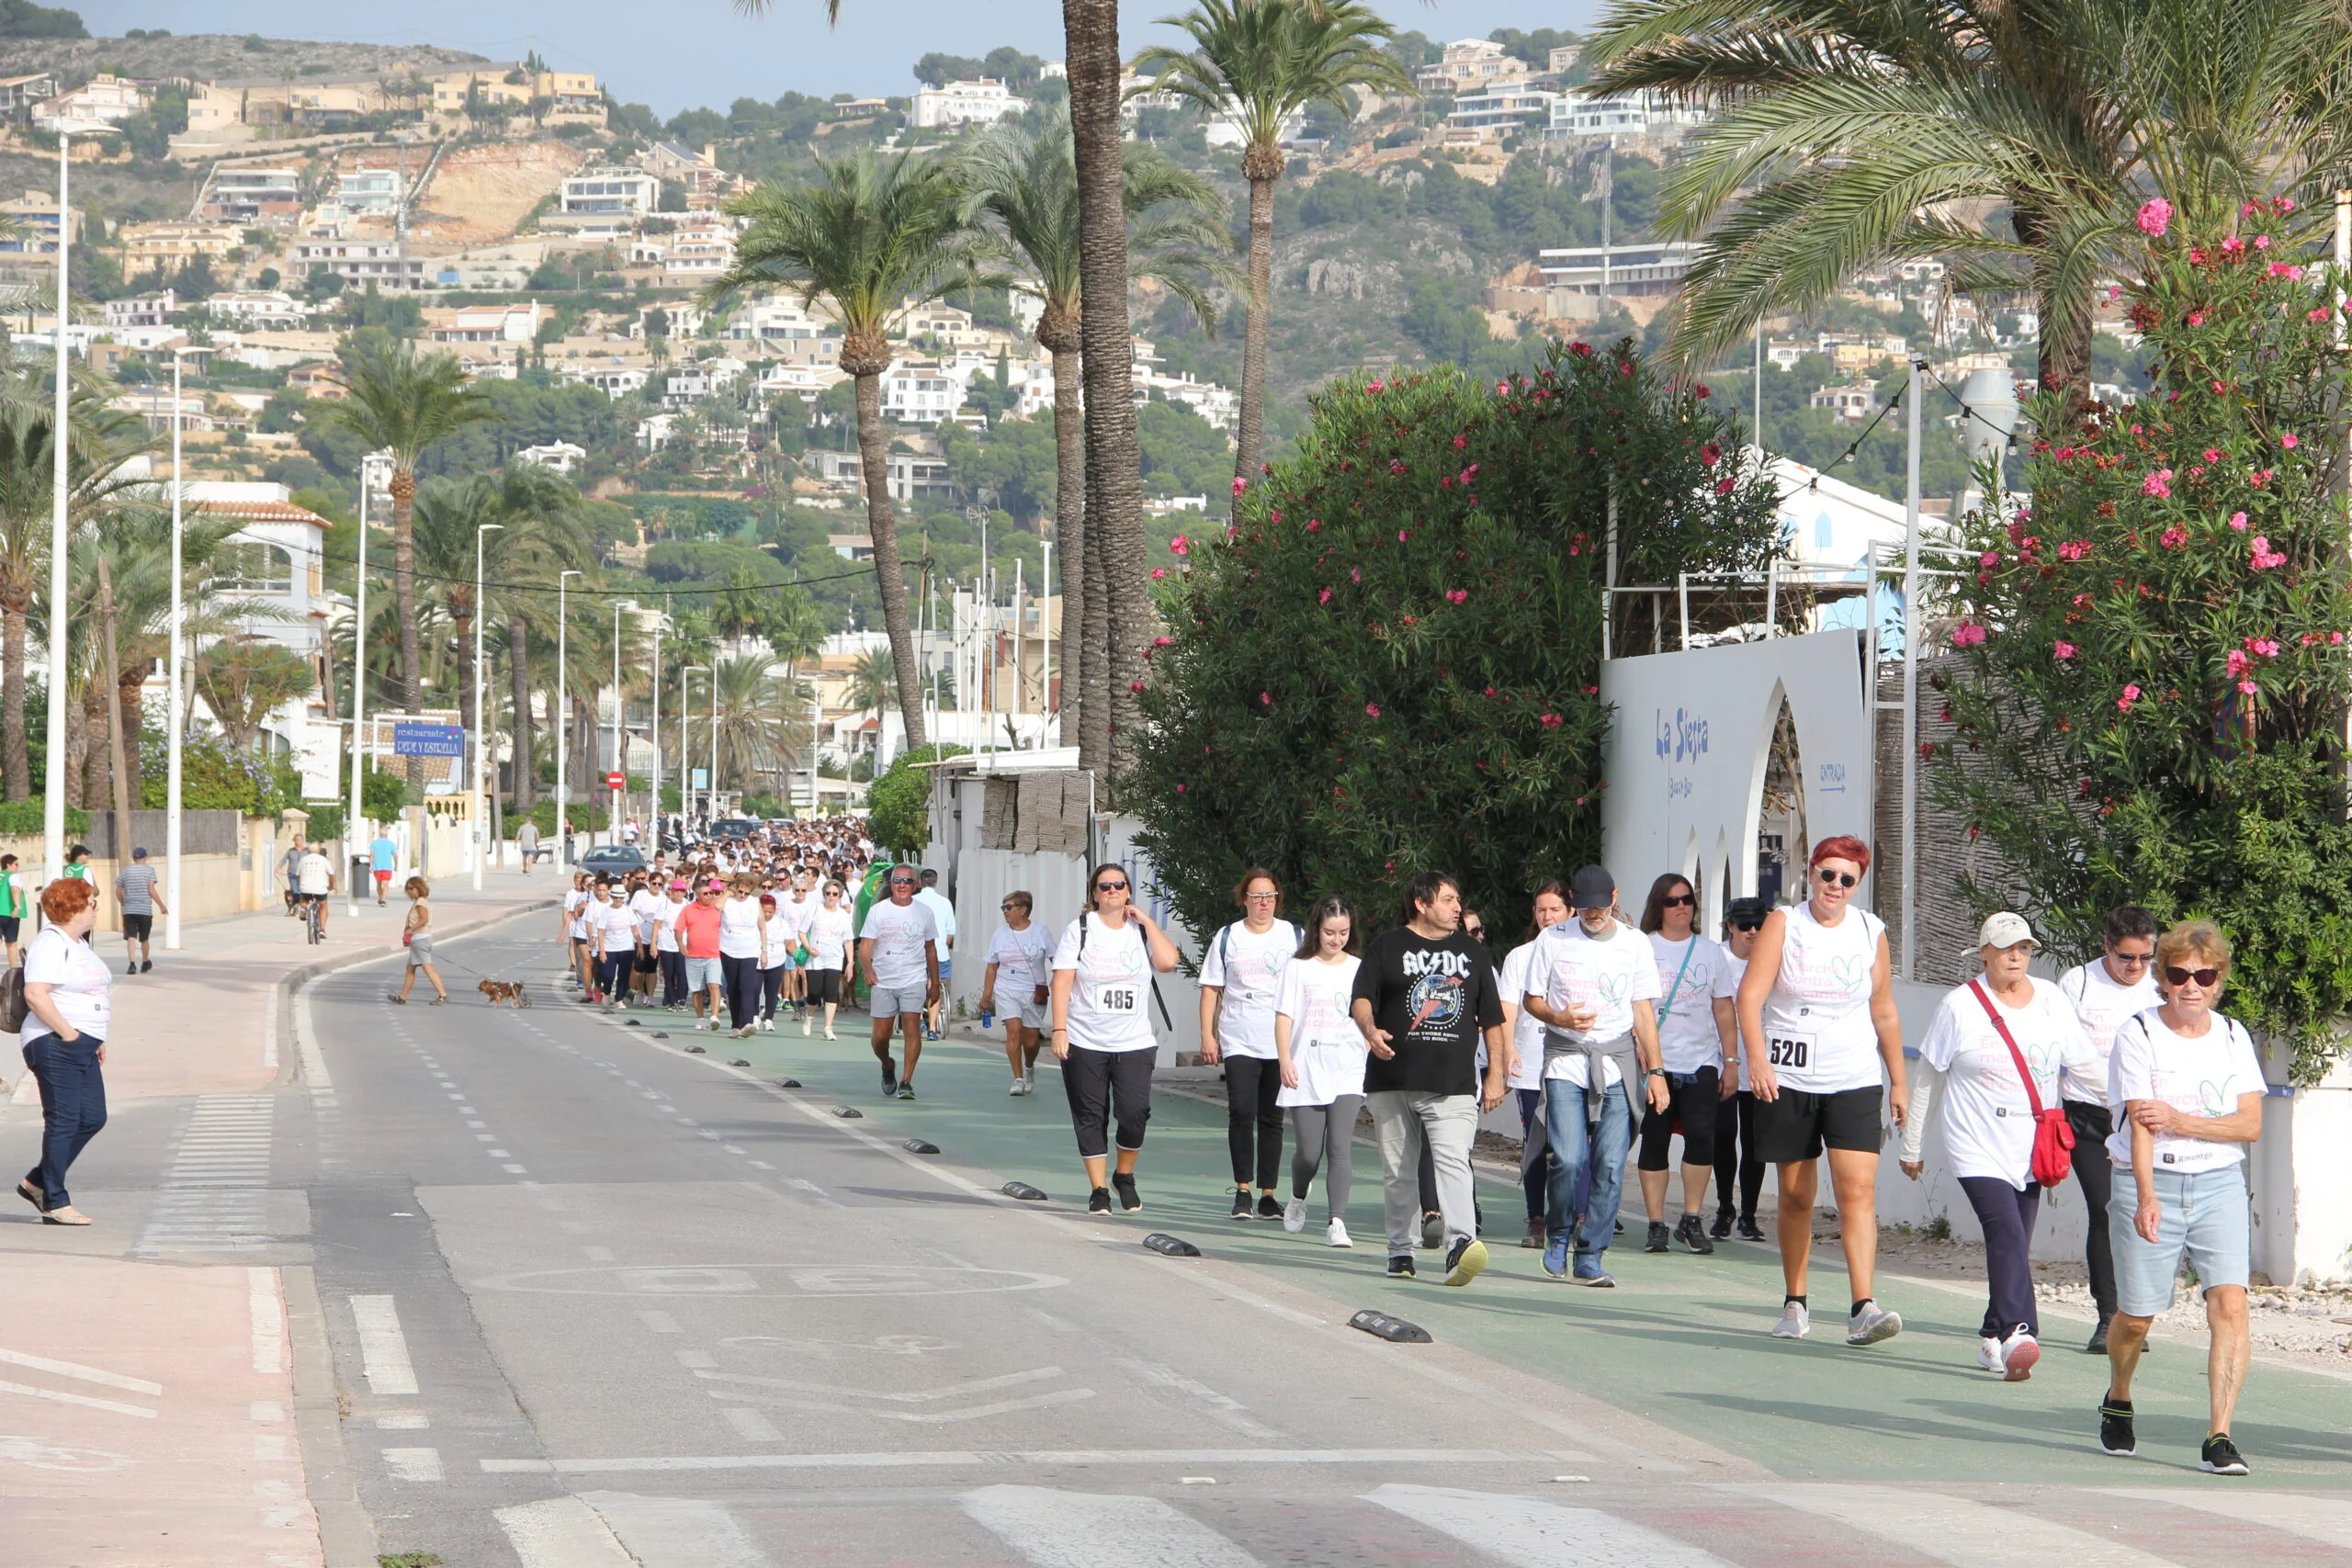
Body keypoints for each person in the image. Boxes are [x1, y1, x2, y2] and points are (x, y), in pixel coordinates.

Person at [2097, 919, 2266, 1474]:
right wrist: (2146, 1196)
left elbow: (2249, 1125)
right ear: (2163, 979)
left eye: (2204, 975)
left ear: (2219, 981)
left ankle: (2219, 1435)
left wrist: (2182, 1120)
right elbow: (2142, 1124)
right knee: (2138, 1316)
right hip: (2151, 1180)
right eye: (2178, 973)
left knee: (2231, 1304)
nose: (2191, 985)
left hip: (2219, 1183)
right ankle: (2119, 1394)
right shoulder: (2138, 1033)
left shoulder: (2234, 1036)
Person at [1902, 913, 2097, 1382]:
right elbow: (1929, 1076)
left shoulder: (2050, 1000)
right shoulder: (1958, 1006)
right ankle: (2018, 1332)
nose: (2016, 957)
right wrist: (1912, 1143)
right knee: (2006, 1233)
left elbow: (2085, 1065)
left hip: (2033, 1143)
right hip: (1975, 1142)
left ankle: (1991, 1335)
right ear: (1984, 951)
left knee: (2016, 1241)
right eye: (2007, 947)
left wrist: (2130, 1106)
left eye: (2025, 948)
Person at [1736, 834, 1907, 1346]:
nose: (1836, 886)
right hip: (1789, 1074)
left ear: (1859, 884)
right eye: (1827, 874)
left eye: (1847, 879)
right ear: (1811, 872)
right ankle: (1795, 1302)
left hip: (1853, 1075)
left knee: (1857, 1189)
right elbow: (1750, 996)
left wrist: (1899, 1079)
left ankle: (1863, 1306)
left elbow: (1884, 1009)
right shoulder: (1785, 923)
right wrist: (1758, 1061)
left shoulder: (1870, 930)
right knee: (1796, 1194)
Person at [1350, 870, 1507, 1286]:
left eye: (1459, 900)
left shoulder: (1473, 954)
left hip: (1453, 1082)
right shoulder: (1387, 946)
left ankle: (1460, 1244)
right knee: (1398, 1170)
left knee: (1454, 1161)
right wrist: (1370, 1031)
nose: (1458, 908)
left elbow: (1493, 1020)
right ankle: (1400, 1248)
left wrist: (1497, 1073)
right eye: (1449, 900)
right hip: (1391, 1079)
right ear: (1422, 903)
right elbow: (1361, 998)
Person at [1521, 865, 1669, 1286]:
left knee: (1608, 1164)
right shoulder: (1553, 939)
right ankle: (1559, 1233)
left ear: (1615, 899)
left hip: (1617, 1060)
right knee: (1568, 1157)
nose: (1592, 914)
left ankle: (1591, 1253)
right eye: (1584, 908)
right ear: (1573, 903)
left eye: (1600, 907)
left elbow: (1643, 1010)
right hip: (1566, 1059)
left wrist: (1655, 1071)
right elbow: (1532, 1000)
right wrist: (1559, 1016)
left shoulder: (1634, 944)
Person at [2058, 906, 2161, 1352]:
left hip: (2146, 1119)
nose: (2135, 967)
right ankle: (2108, 1316)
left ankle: (2138, 1314)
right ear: (2106, 946)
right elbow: (2069, 1052)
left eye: (2144, 957)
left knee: (2144, 1211)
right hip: (2089, 1116)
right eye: (2126, 958)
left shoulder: (2163, 985)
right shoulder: (2076, 983)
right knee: (2104, 1207)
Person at [1050, 862, 1181, 1213]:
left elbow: (1168, 962)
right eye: (1104, 886)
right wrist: (1059, 1029)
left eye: (1119, 885)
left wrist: (1149, 922)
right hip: (1085, 1040)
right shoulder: (1080, 929)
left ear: (1128, 891)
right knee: (1090, 1114)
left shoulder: (1139, 930)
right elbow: (1061, 981)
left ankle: (1124, 1175)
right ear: (1094, 894)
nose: (1112, 892)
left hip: (1134, 1041)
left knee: (1134, 1112)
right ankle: (1098, 1189)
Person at [1198, 868, 1299, 1221]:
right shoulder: (1229, 937)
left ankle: (1268, 1194)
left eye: (1269, 896)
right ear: (1244, 899)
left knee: (1273, 1118)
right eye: (1256, 897)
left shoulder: (1294, 936)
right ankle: (1243, 1190)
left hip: (1281, 1040)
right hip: (1239, 1035)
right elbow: (1211, 987)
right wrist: (1208, 1035)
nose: (1263, 904)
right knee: (1242, 1111)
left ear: (1277, 899)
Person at [1634, 873, 1724, 1256]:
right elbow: (1632, 1005)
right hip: (1657, 1060)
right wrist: (1639, 1045)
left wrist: (1732, 1060)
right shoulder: (1642, 948)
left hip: (1702, 1058)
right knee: (1654, 1140)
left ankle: (1691, 1218)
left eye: (1686, 899)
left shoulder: (1710, 951)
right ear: (1659, 907)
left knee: (1702, 1136)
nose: (1681, 907)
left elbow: (1724, 1007)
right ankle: (1656, 1223)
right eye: (1672, 901)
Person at [1273, 896, 1366, 1247]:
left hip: (1348, 1067)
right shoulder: (1298, 968)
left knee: (1340, 1146)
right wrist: (1285, 1058)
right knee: (1309, 1153)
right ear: (1317, 929)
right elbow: (1285, 1017)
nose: (1336, 939)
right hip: (1306, 1067)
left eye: (1343, 932)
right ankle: (1298, 1195)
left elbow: (1366, 1016)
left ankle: (1336, 1222)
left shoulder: (1359, 968)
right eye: (1329, 932)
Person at [16, 875, 108, 1225]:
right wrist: (70, 1035)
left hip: (82, 1043)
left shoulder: (78, 943)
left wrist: (95, 1036)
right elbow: (35, 993)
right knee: (64, 1122)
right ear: (74, 909)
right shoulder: (51, 943)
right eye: (91, 903)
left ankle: (37, 1182)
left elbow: (88, 994)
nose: (96, 910)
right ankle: (55, 1201)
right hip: (54, 1043)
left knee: (93, 1117)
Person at [1498, 882, 1570, 1248]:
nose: (1547, 916)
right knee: (1536, 1144)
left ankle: (1575, 1216)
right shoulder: (1519, 957)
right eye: (1541, 910)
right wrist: (1507, 1050)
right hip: (1529, 1065)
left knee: (1572, 1145)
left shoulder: (1581, 952)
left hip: (1573, 1065)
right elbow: (1507, 1009)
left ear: (1570, 911)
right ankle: (1536, 1218)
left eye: (1554, 909)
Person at [1710, 897, 1770, 1241]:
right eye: (1744, 925)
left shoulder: (1772, 959)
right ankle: (1724, 1206)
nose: (1752, 932)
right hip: (1721, 1060)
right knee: (1722, 1135)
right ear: (1729, 925)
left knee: (1755, 1141)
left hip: (1760, 1062)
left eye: (1759, 925)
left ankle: (1749, 1213)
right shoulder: (1716, 957)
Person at [859, 868, 941, 1094]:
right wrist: (868, 969)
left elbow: (931, 949)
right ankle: (887, 1064)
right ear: (891, 884)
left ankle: (906, 1081)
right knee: (879, 1038)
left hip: (913, 979)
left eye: (907, 881)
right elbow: (866, 945)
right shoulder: (878, 911)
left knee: (912, 1030)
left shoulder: (924, 912)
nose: (902, 885)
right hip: (883, 980)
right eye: (897, 881)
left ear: (916, 885)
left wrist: (934, 983)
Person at [981, 889, 1055, 1095]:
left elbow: (1055, 959)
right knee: (1013, 1032)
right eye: (1003, 908)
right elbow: (992, 966)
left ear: (1023, 910)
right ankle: (1018, 1078)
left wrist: (1061, 982)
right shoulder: (1000, 934)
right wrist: (987, 995)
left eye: (1008, 907)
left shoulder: (1041, 932)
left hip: (1033, 992)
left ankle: (1029, 1067)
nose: (1004, 911)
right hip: (1007, 989)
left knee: (1031, 1041)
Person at [804, 880, 854, 1039]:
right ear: (824, 894)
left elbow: (848, 940)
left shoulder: (844, 915)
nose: (831, 897)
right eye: (828, 893)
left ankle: (828, 1027)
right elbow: (802, 931)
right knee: (814, 992)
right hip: (815, 958)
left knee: (832, 992)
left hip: (834, 958)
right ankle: (809, 1017)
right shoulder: (815, 909)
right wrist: (807, 947)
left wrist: (850, 963)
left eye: (835, 894)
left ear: (839, 896)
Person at [673, 880, 727, 1030]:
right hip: (693, 956)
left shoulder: (717, 908)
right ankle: (700, 1018)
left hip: (714, 955)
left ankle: (714, 1016)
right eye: (706, 893)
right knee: (697, 990)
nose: (710, 895)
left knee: (714, 986)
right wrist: (680, 944)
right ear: (697, 895)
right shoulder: (688, 909)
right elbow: (678, 929)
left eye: (712, 892)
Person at [718, 874, 766, 1038]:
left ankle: (747, 1022)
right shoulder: (728, 901)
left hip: (750, 950)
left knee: (746, 985)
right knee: (733, 987)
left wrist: (764, 951)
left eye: (746, 893)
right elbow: (717, 906)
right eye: (740, 891)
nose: (742, 895)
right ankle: (735, 1025)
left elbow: (762, 927)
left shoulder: (755, 902)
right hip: (728, 949)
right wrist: (728, 893)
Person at [389, 876, 448, 1004]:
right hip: (419, 938)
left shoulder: (421, 902)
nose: (409, 891)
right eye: (407, 889)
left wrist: (410, 930)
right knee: (410, 969)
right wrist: (407, 934)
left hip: (420, 939)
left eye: (411, 888)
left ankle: (443, 994)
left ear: (419, 888)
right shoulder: (419, 902)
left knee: (427, 968)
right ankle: (403, 996)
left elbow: (423, 919)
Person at [915, 868, 957, 1042]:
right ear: (936, 883)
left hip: (916, 954)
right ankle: (932, 1027)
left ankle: (918, 1019)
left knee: (917, 986)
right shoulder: (945, 902)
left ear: (920, 883)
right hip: (939, 954)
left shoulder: (913, 901)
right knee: (935, 985)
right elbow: (950, 933)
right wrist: (941, 947)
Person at [113, 846, 165, 976]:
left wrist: (123, 903)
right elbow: (151, 890)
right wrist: (161, 905)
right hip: (144, 910)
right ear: (145, 858)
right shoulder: (150, 871)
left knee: (131, 937)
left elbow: (118, 891)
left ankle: (131, 964)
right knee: (144, 938)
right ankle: (145, 962)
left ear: (133, 858)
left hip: (129, 909)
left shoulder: (126, 871)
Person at [592, 883, 638, 1013]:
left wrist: (639, 945)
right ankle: (606, 992)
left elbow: (635, 928)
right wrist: (602, 950)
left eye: (621, 898)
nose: (618, 900)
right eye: (616, 897)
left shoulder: (628, 910)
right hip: (609, 947)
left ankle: (619, 999)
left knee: (623, 975)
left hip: (626, 947)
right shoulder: (606, 911)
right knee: (608, 975)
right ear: (612, 897)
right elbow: (600, 931)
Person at [756, 892, 793, 1032]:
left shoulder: (781, 923)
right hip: (756, 961)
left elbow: (789, 942)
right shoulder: (753, 921)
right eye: (764, 911)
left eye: (770, 911)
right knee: (754, 990)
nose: (767, 914)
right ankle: (754, 1016)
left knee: (772, 992)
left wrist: (798, 956)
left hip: (776, 961)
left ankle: (769, 1019)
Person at [656, 879, 689, 1009]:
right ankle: (671, 1000)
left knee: (682, 973)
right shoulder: (664, 904)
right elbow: (657, 925)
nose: (679, 893)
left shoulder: (687, 905)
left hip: (683, 943)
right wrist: (654, 943)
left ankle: (682, 999)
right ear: (672, 891)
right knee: (669, 973)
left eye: (682, 891)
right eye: (676, 890)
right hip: (666, 943)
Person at [294, 840, 334, 937]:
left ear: (308, 851)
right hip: (320, 888)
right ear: (319, 850)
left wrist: (300, 885)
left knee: (304, 898)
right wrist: (331, 886)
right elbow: (331, 874)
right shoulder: (323, 860)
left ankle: (303, 908)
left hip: (305, 887)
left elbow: (297, 875)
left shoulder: (303, 860)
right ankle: (322, 930)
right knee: (323, 906)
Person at [0, 852, 24, 967]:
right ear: (8, 865)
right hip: (9, 913)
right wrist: (18, 906)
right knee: (11, 943)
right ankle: (13, 970)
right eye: (16, 864)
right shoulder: (13, 876)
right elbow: (15, 890)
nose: (18, 867)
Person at [369, 829, 399, 905]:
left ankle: (381, 898)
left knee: (378, 884)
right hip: (387, 867)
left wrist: (370, 865)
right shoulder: (391, 844)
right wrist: (396, 865)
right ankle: (383, 900)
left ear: (380, 834)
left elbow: (372, 855)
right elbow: (395, 855)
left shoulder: (374, 843)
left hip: (377, 867)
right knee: (386, 884)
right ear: (387, 835)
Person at [280, 835, 305, 913]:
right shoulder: (291, 851)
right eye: (296, 840)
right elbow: (284, 860)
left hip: (303, 874)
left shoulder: (307, 851)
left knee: (301, 890)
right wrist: (278, 867)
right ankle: (295, 906)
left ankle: (300, 906)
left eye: (300, 840)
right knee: (294, 891)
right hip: (292, 873)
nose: (298, 841)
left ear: (303, 840)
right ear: (294, 841)